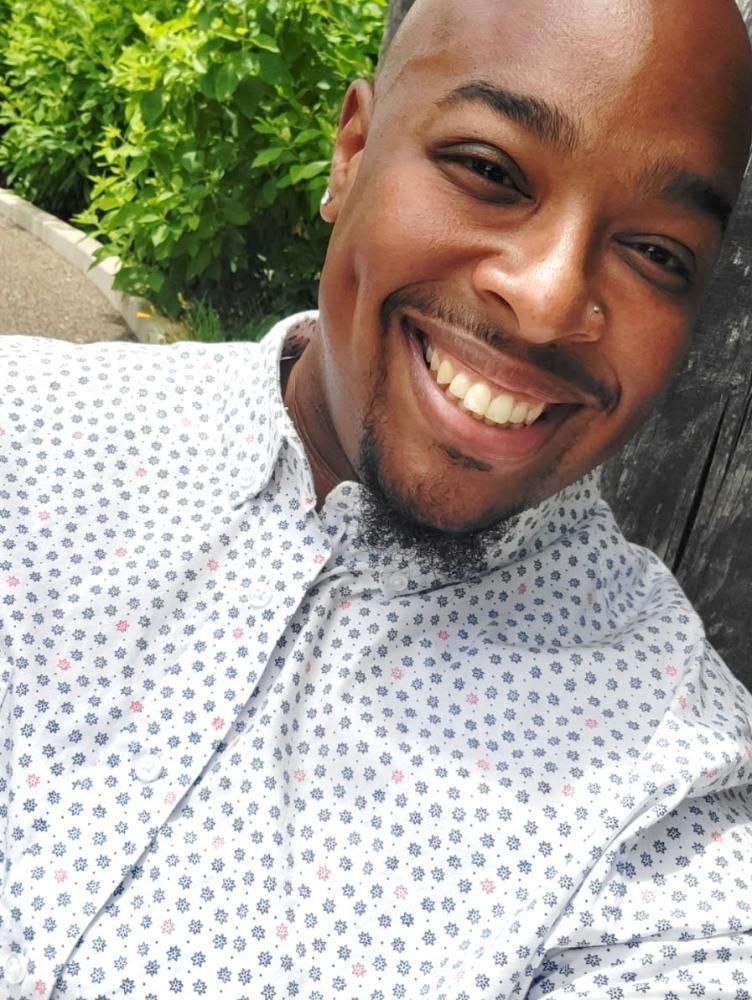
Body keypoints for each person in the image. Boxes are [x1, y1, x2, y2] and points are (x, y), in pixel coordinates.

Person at [1, 0, 751, 997]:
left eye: (656, 253)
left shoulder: (667, 792)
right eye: (489, 171)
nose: (545, 300)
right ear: (350, 153)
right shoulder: (30, 430)